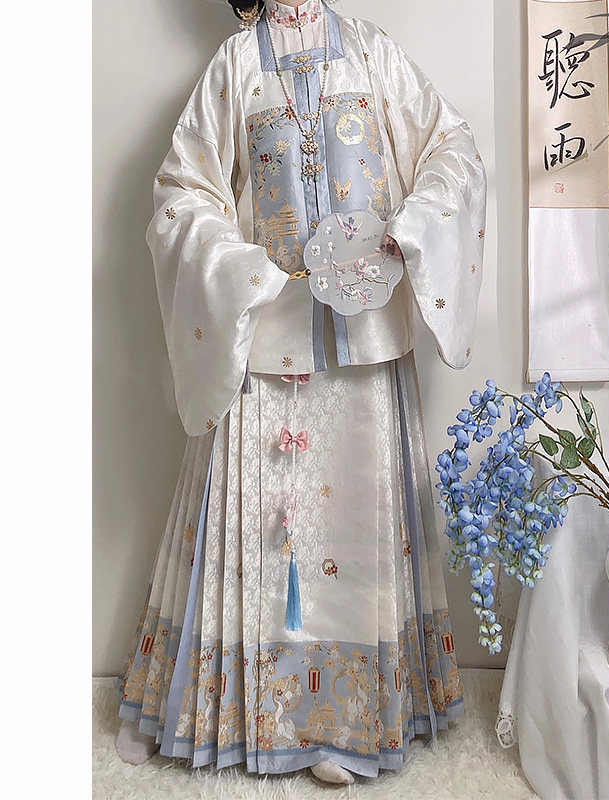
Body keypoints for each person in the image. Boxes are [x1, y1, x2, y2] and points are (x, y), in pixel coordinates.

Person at [115, 0, 487, 785]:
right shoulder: (234, 66)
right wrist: (242, 270)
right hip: (268, 338)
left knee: (354, 529)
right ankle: (220, 708)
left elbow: (450, 146)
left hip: (365, 336)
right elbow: (182, 192)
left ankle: (345, 724)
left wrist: (412, 229)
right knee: (260, 532)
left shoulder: (373, 53)